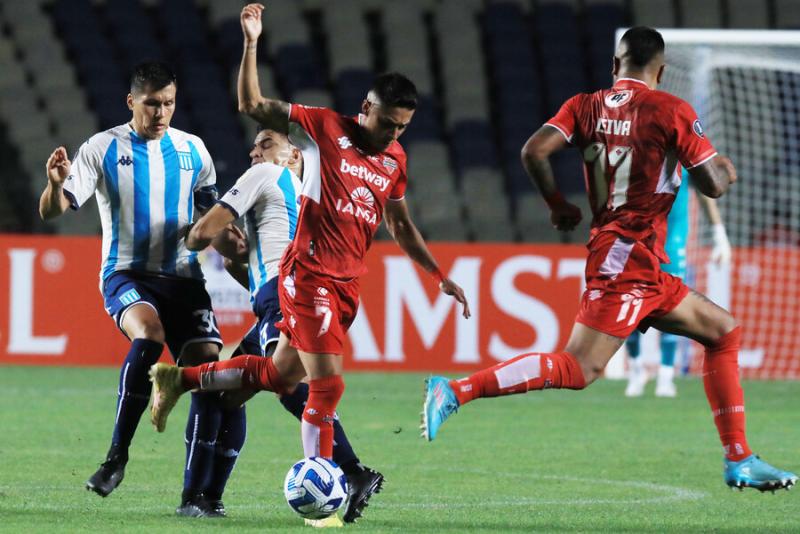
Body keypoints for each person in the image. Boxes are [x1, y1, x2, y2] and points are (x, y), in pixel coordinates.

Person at [421, 27, 797, 492]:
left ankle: (739, 458)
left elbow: (533, 150)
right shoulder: (670, 109)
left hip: (639, 260)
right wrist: (723, 167)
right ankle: (455, 391)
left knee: (723, 331)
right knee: (579, 369)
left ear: (615, 65)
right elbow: (713, 185)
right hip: (628, 257)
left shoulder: (584, 105)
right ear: (660, 71)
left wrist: (558, 205)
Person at [148, 2, 470, 523]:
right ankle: (321, 497)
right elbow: (250, 102)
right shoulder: (322, 128)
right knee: (327, 385)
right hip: (308, 277)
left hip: (346, 286)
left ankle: (181, 381)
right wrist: (252, 41)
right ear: (364, 107)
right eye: (387, 123)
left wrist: (439, 276)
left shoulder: (394, 161)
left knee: (279, 377)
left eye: (403, 128)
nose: (393, 135)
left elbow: (401, 225)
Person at [39, 61, 232, 516]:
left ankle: (195, 499)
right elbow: (54, 210)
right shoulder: (102, 148)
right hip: (126, 273)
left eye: (167, 104)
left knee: (208, 374)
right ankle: (116, 458)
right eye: (151, 104)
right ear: (132, 102)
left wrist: (237, 245)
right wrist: (52, 185)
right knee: (149, 334)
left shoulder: (194, 150)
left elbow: (211, 220)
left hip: (184, 278)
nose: (160, 113)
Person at [183, 126, 385, 526]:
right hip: (310, 295)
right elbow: (252, 271)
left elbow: (201, 236)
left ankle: (350, 470)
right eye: (253, 144)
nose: (255, 151)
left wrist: (195, 233)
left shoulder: (264, 176)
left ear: (294, 156)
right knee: (226, 394)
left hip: (283, 294)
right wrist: (241, 252)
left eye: (267, 144)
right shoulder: (311, 197)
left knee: (277, 381)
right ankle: (205, 499)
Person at [625, 172, 732, 397]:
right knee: (630, 307)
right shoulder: (641, 153)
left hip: (673, 241)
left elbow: (706, 193)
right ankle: (636, 371)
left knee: (672, 306)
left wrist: (719, 234)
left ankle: (665, 376)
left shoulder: (685, 157)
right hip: (638, 239)